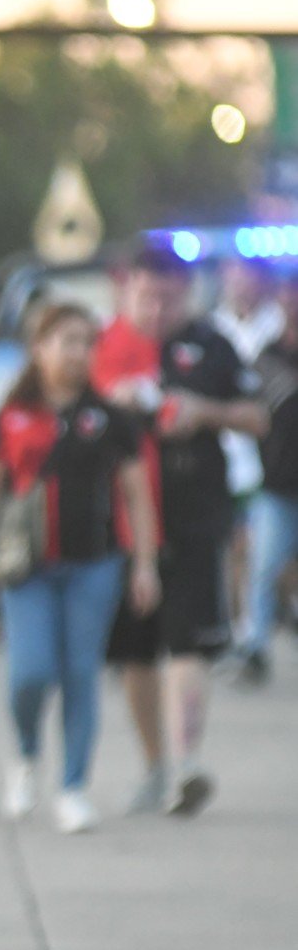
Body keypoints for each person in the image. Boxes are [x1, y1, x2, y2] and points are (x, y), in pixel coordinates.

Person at [0, 304, 160, 832]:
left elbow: (136, 491)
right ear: (39, 347)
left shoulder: (109, 417)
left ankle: (72, 786)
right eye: (66, 341)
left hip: (95, 564)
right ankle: (24, 756)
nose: (77, 353)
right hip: (26, 568)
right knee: (31, 672)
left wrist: (144, 564)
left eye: (86, 343)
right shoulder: (12, 415)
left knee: (80, 674)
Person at [91, 245, 268, 817]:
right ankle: (154, 766)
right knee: (135, 651)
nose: (158, 309)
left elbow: (256, 415)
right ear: (127, 290)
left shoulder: (211, 345)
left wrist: (202, 411)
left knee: (187, 640)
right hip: (119, 525)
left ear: (187, 293)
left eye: (169, 298)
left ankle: (187, 763)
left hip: (193, 516)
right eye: (147, 296)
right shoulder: (103, 347)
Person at [210, 256, 283, 636]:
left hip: (274, 456)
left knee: (263, 548)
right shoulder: (214, 327)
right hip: (228, 457)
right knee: (239, 547)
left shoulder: (278, 326)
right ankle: (242, 627)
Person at [235, 269, 298, 684]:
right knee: (263, 567)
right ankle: (254, 647)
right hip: (277, 482)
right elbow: (250, 415)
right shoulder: (268, 356)